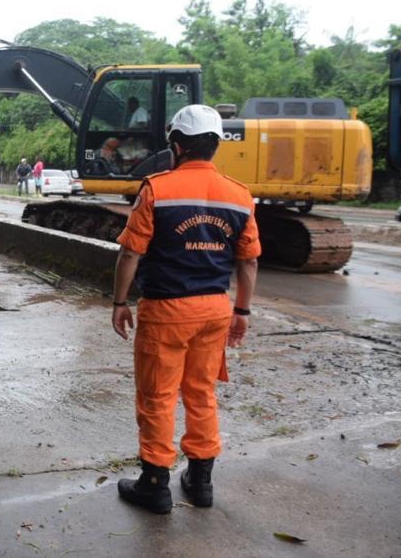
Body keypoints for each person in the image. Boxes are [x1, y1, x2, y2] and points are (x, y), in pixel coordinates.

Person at [110, 104, 260, 515]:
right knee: (201, 392)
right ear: (215, 146)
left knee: (158, 395)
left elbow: (130, 253)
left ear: (176, 145)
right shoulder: (240, 194)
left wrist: (120, 302)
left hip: (166, 311)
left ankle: (156, 485)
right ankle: (200, 481)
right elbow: (248, 261)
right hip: (215, 309)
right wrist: (242, 312)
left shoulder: (158, 189)